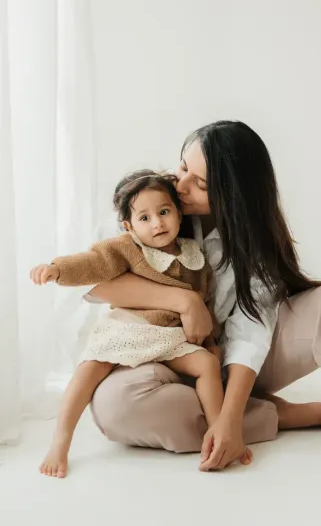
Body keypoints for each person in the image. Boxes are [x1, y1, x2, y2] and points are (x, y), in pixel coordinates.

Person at [87, 120, 321, 479]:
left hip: (228, 363)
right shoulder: (149, 200)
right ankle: (273, 415)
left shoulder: (253, 238)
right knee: (115, 408)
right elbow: (94, 282)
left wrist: (228, 417)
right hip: (157, 354)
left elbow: (252, 329)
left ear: (233, 194)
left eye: (199, 184)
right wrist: (186, 302)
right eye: (183, 166)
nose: (180, 185)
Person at [30, 170, 226, 478]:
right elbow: (93, 263)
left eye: (164, 212)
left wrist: (211, 343)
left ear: (177, 212)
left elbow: (205, 304)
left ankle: (219, 430)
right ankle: (60, 442)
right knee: (90, 368)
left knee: (208, 365)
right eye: (144, 218)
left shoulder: (195, 255)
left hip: (173, 337)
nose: (157, 223)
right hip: (132, 326)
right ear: (129, 226)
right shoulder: (128, 248)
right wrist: (57, 269)